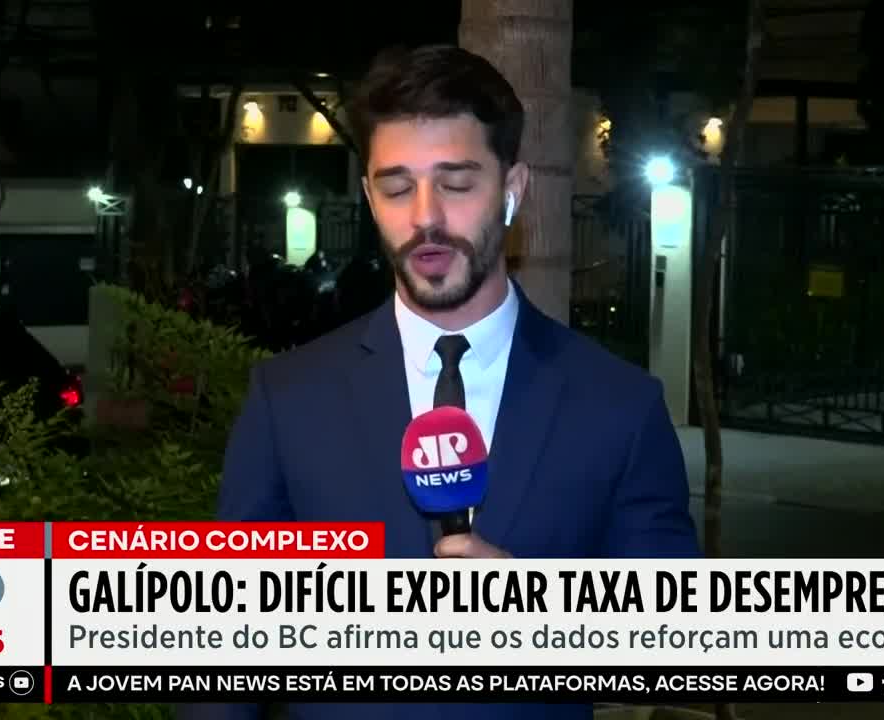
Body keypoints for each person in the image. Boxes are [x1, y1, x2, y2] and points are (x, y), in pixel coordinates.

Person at [212, 44, 700, 720]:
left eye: (457, 182)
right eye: (396, 185)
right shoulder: (288, 399)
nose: (426, 217)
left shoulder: (617, 406)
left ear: (512, 189)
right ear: (369, 197)